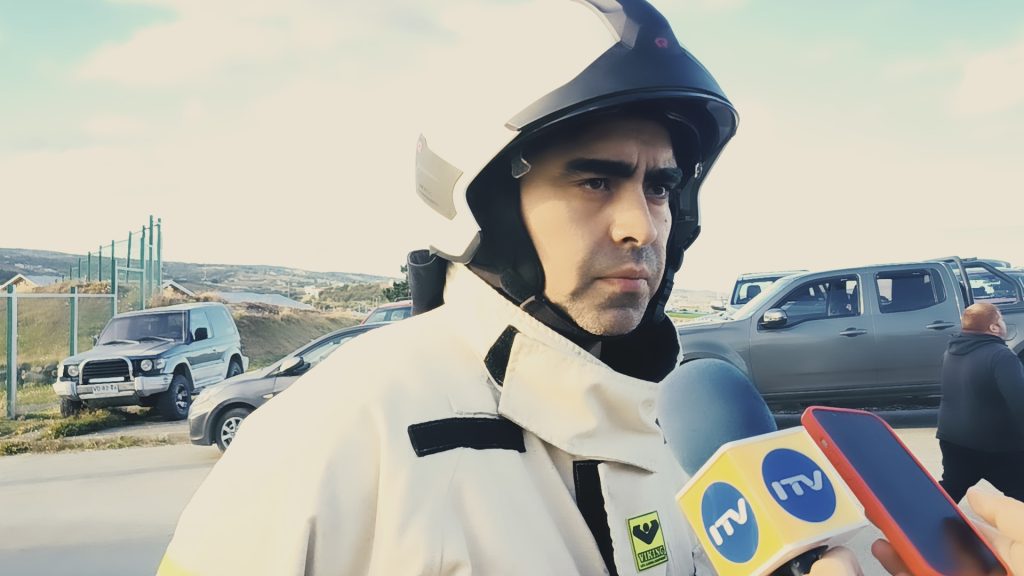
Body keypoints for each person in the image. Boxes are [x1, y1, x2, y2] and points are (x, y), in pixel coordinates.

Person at [159, 1, 740, 574]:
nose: (642, 227)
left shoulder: (677, 427)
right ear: (492, 207)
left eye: (659, 189)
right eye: (595, 182)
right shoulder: (337, 427)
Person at [937, 302, 1024, 504]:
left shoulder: (950, 352)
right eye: (1001, 319)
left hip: (953, 441)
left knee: (949, 492)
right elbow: (1020, 401)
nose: (1003, 323)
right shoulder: (1001, 355)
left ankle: (909, 521)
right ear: (994, 327)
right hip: (998, 445)